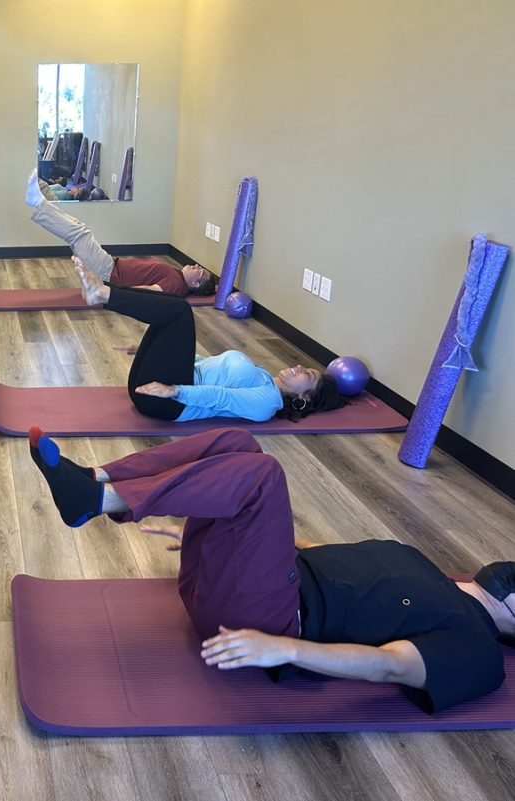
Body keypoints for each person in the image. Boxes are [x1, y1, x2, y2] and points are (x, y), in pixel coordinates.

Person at [27, 425, 513, 712]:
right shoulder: (438, 575)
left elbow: (389, 665)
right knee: (240, 443)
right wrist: (232, 539)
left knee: (262, 478)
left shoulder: (478, 649)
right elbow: (326, 551)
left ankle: (98, 500)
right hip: (245, 581)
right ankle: (98, 480)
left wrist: (279, 647)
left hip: (268, 620)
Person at [74, 262, 344, 422]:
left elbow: (221, 397)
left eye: (306, 374)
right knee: (171, 306)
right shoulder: (263, 377)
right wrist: (148, 350)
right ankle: (104, 295)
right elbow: (204, 364)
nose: (298, 367)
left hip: (165, 402)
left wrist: (175, 393)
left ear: (303, 399)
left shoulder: (266, 403)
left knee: (180, 312)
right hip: (156, 387)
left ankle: (104, 295)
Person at [26, 168, 216, 297]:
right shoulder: (178, 276)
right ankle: (39, 202)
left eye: (200, 271)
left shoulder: (177, 284)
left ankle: (38, 201)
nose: (196, 265)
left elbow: (150, 292)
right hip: (110, 267)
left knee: (79, 233)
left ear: (196, 284)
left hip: (108, 273)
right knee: (78, 229)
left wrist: (110, 292)